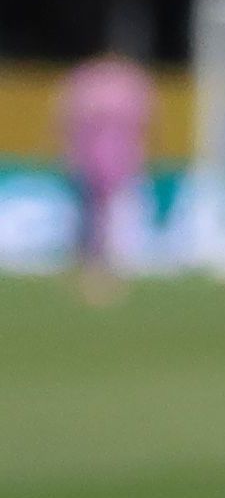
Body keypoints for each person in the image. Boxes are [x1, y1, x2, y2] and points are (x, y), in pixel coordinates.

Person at [54, 48, 149, 305]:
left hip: (111, 163)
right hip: (98, 162)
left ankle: (104, 273)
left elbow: (64, 119)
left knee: (107, 218)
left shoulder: (89, 82)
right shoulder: (122, 83)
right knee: (96, 218)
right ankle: (96, 273)